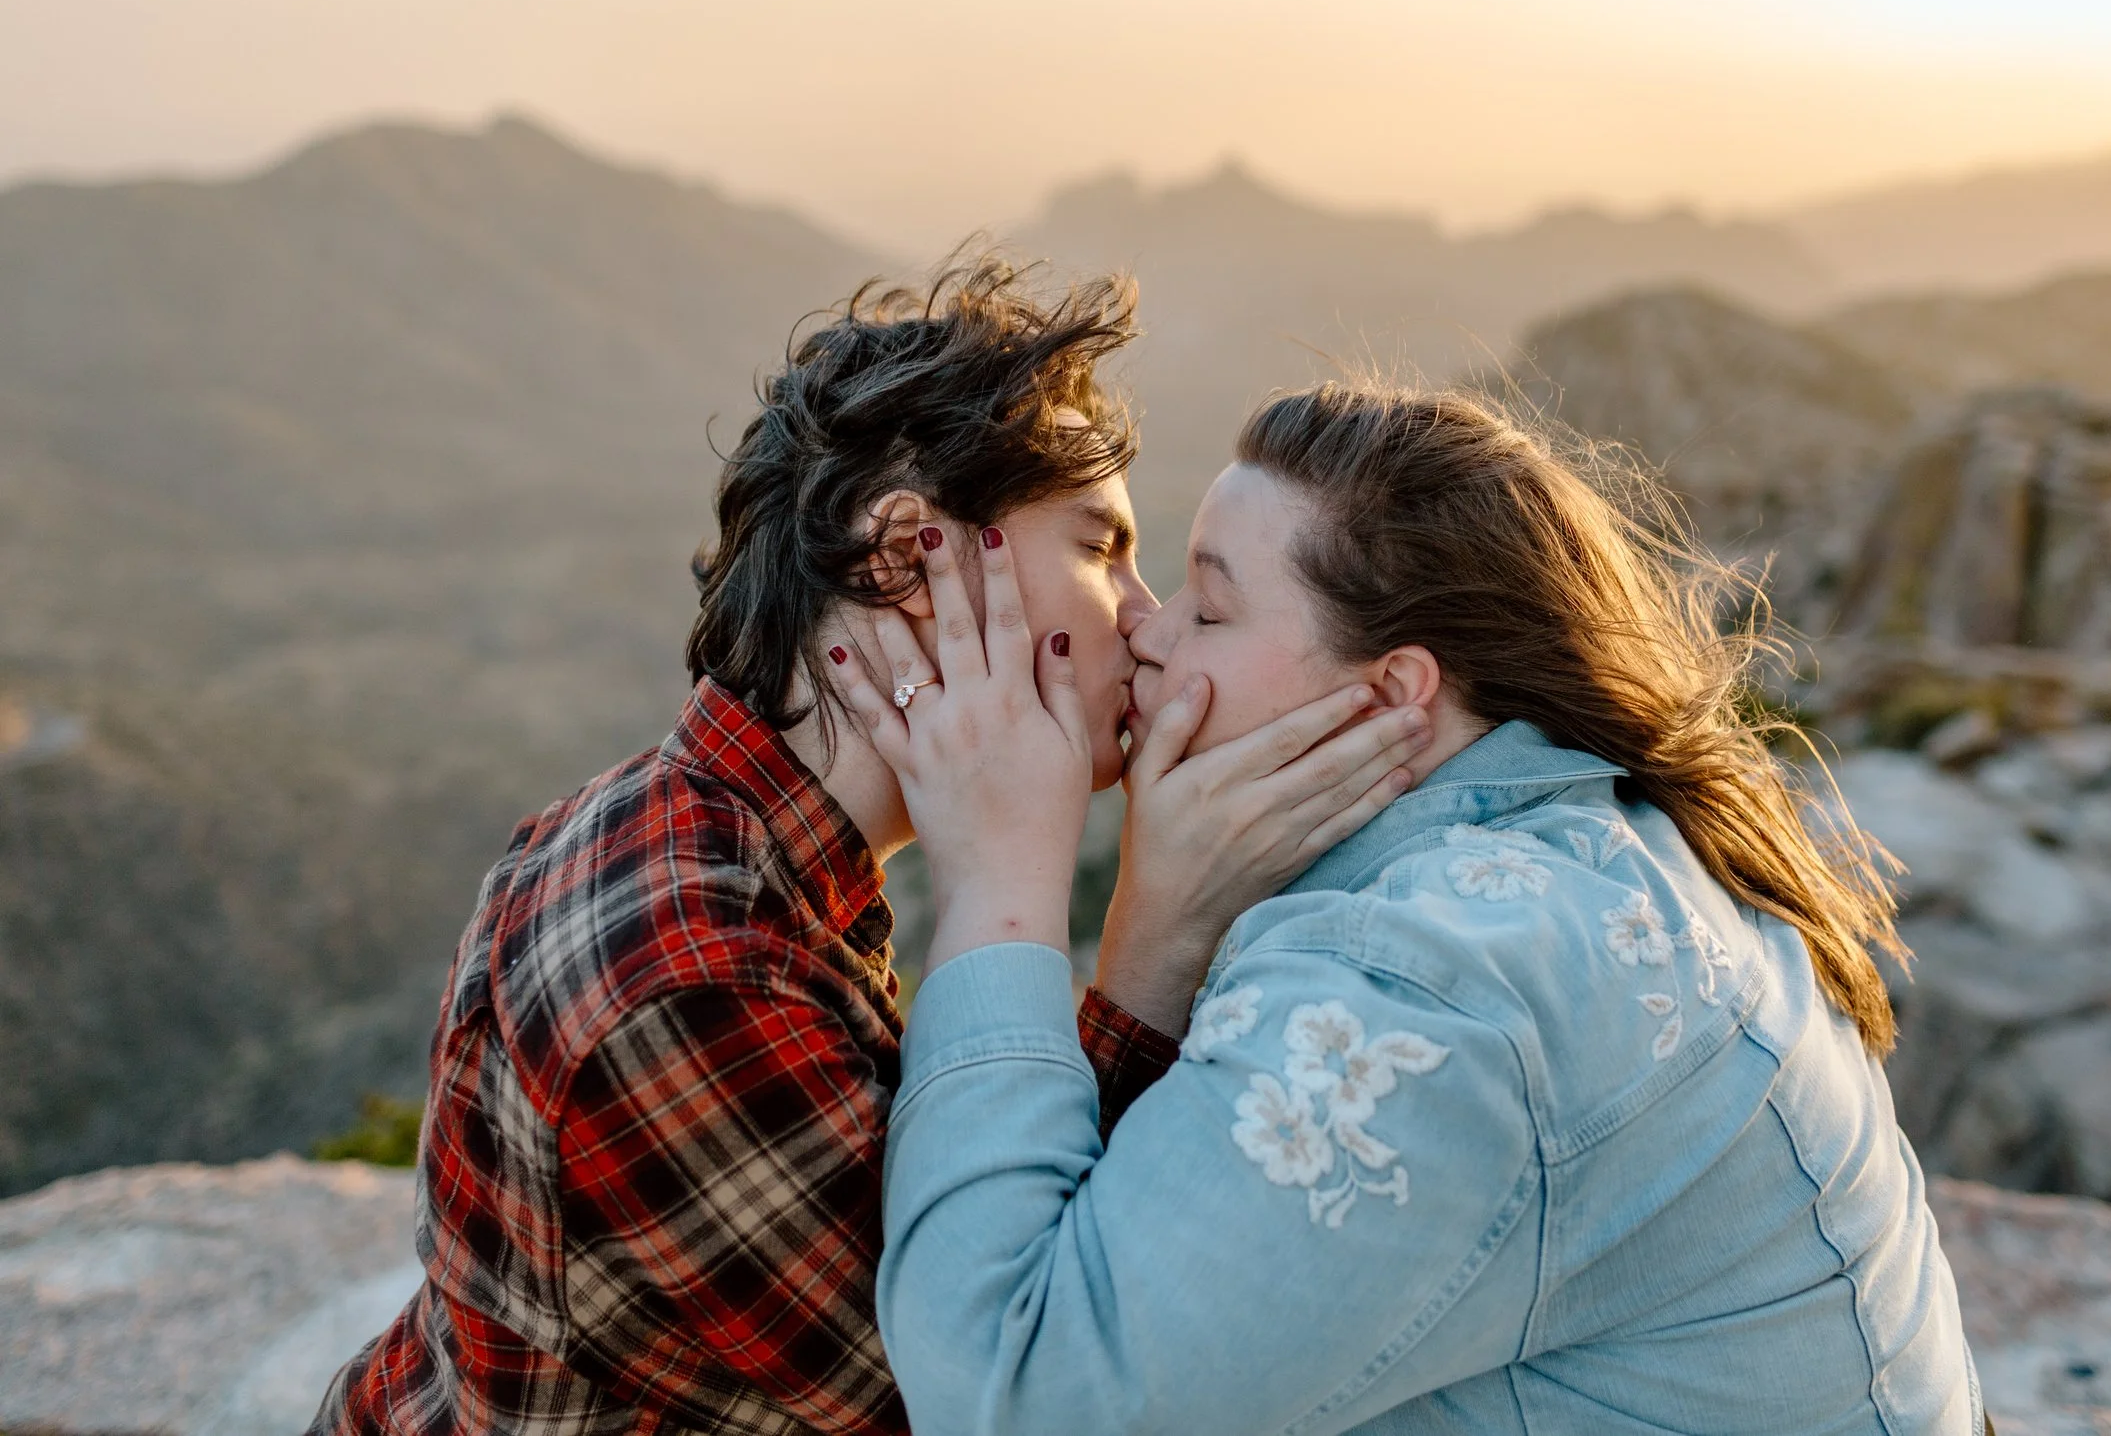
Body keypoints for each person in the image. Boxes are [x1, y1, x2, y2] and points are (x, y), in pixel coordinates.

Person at [315, 261, 1423, 1435]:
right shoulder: (694, 979)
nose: (1145, 618)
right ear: (910, 558)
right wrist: (1143, 931)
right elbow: (1006, 1384)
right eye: (1102, 550)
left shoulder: (723, 840)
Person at [853, 381, 1987, 1434]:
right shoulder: (1591, 841)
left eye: (1211, 606)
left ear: (1390, 690)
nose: (1147, 629)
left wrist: (998, 882)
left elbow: (1010, 1384)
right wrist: (1158, 934)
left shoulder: (1439, 978)